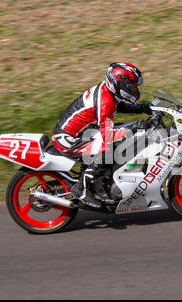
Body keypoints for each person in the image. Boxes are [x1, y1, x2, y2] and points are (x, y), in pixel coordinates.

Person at [52, 62, 153, 208]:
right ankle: (81, 189)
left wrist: (142, 108)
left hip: (80, 132)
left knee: (121, 135)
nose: (134, 89)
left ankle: (99, 184)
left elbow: (118, 106)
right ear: (119, 85)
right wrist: (136, 126)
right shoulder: (104, 101)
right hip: (68, 139)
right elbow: (108, 137)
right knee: (110, 149)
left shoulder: (108, 91)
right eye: (131, 86)